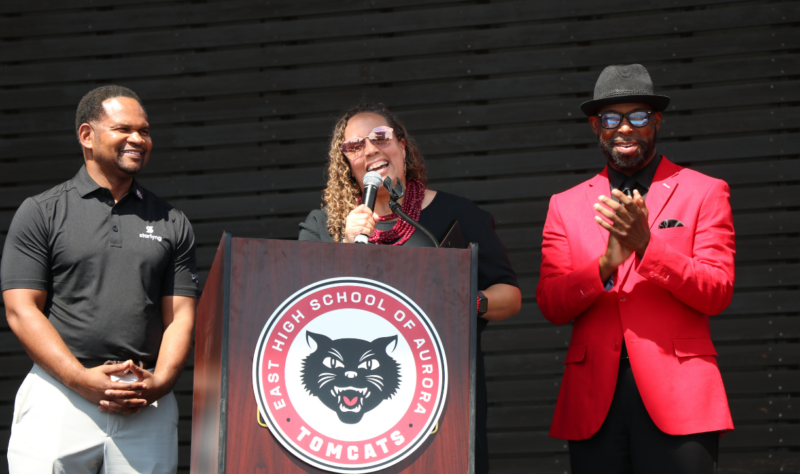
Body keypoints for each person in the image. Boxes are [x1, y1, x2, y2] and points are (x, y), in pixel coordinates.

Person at [299, 102, 522, 473]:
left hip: (440, 402)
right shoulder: (324, 226)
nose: (370, 150)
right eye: (354, 146)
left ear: (402, 146)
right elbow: (300, 301)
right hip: (347, 412)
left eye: (380, 138)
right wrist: (344, 245)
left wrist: (469, 301)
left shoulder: (460, 215)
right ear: (346, 163)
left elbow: (510, 296)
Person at [536, 64, 735, 473]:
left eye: (638, 116)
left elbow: (717, 290)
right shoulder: (565, 204)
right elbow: (552, 304)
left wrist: (647, 246)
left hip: (680, 395)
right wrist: (607, 263)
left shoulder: (703, 190)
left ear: (656, 121)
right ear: (596, 126)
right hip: (594, 399)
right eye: (611, 118)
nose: (624, 128)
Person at [1, 85, 199, 473]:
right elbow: (21, 310)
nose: (138, 139)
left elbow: (181, 318)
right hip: (59, 393)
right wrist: (80, 378)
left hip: (143, 400)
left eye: (144, 131)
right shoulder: (40, 212)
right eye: (124, 129)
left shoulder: (172, 221)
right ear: (87, 136)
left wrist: (157, 384)